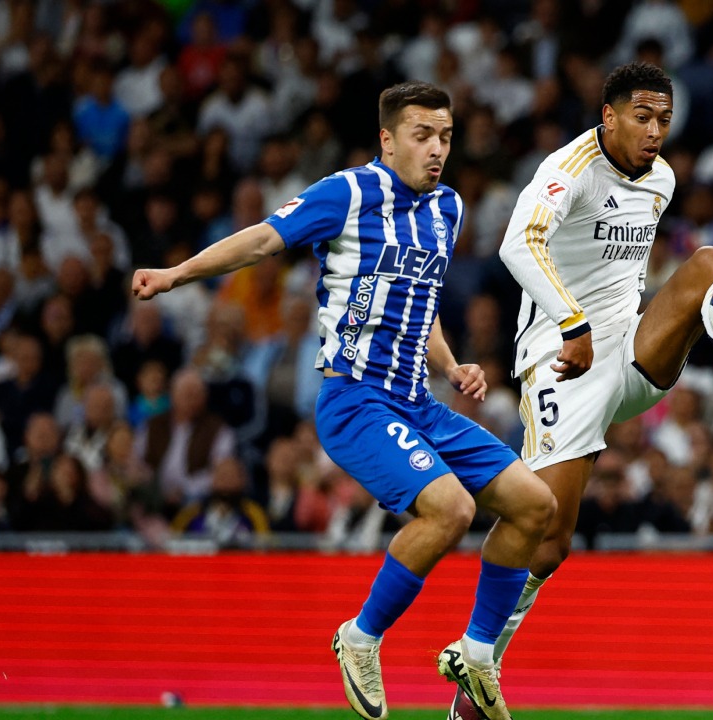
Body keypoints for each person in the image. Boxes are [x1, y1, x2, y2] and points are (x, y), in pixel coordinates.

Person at [132, 81, 556, 720]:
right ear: (387, 139)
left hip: (419, 402)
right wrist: (176, 274)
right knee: (451, 510)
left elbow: (422, 303)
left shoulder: (449, 207)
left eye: (444, 136)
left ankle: (476, 653)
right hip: (355, 400)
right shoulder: (348, 193)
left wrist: (451, 363)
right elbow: (261, 240)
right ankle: (360, 638)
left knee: (535, 506)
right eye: (422, 135)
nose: (436, 149)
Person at [450, 62, 713, 716]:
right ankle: (475, 675)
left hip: (629, 350)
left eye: (664, 118)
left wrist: (611, 328)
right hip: (560, 360)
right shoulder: (567, 169)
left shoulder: (661, 179)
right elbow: (518, 247)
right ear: (609, 115)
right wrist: (572, 326)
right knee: (550, 537)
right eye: (642, 117)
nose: (656, 131)